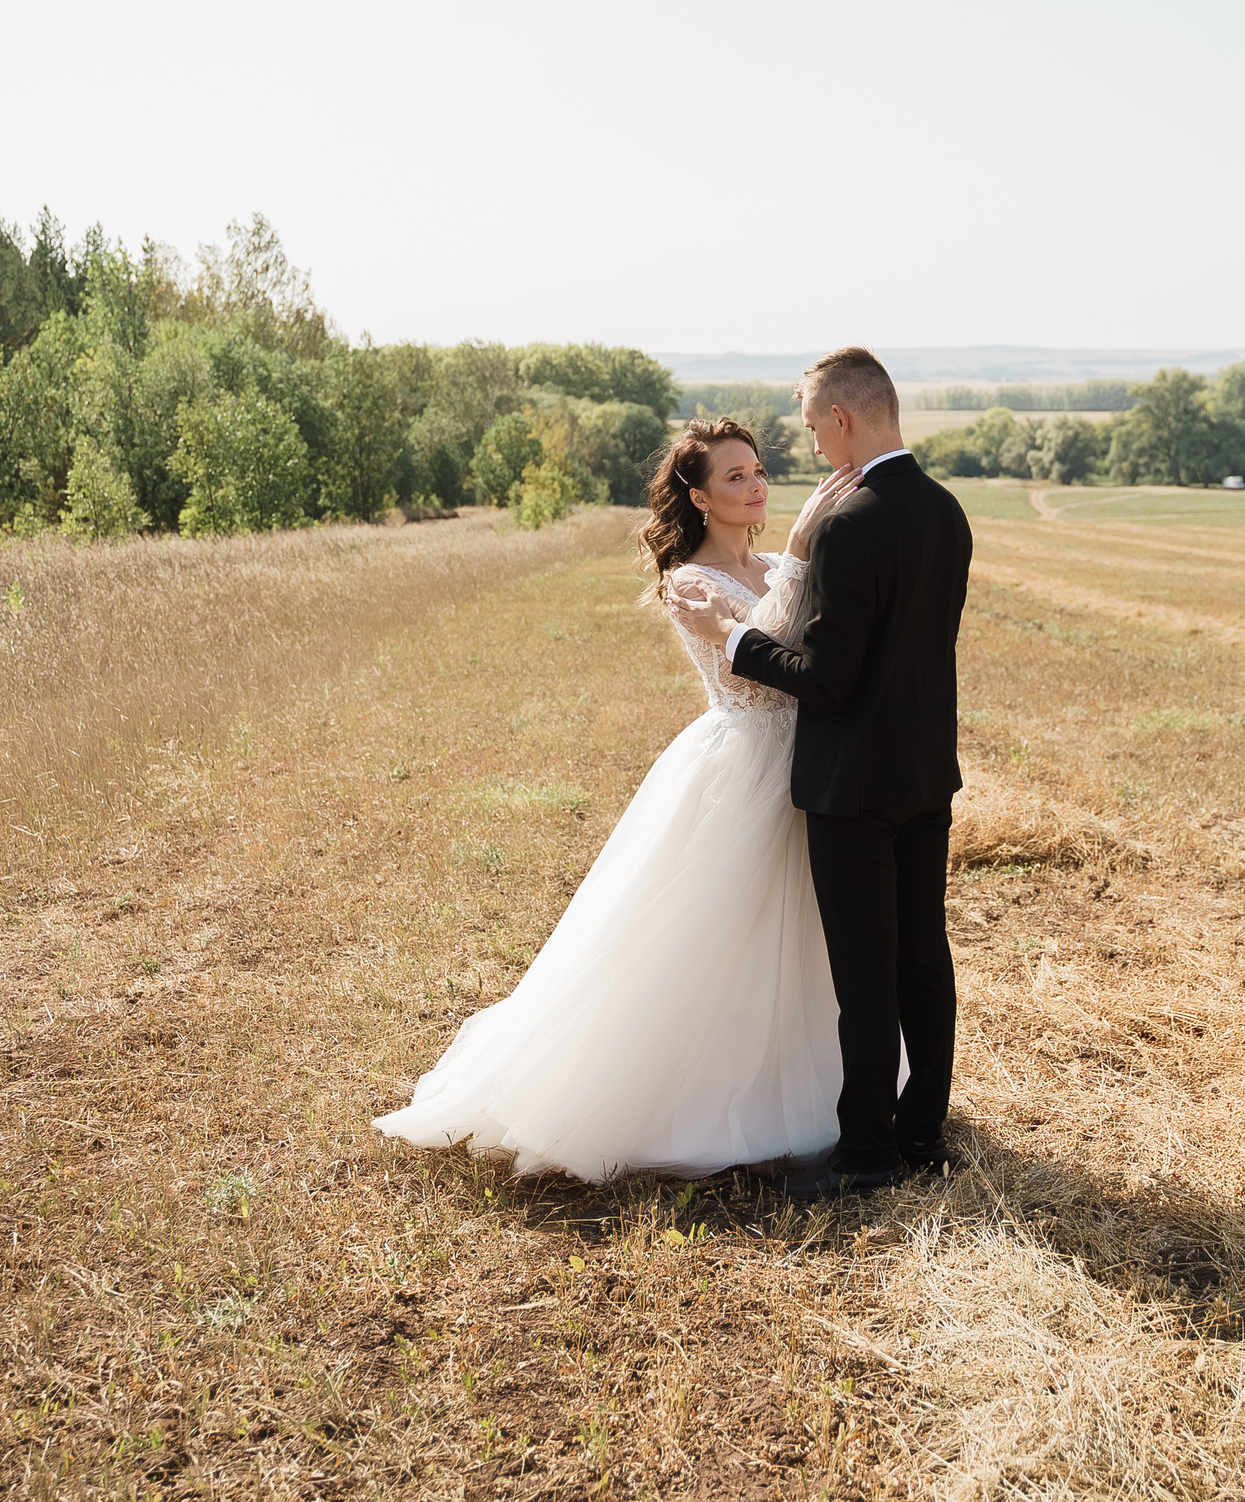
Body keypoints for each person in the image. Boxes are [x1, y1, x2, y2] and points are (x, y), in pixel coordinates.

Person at [373, 420, 866, 1179]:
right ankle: (696, 1101)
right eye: (734, 476)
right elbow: (747, 673)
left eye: (759, 470)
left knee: (810, 932)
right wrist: (801, 555)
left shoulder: (774, 564)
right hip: (742, 766)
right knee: (719, 937)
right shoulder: (690, 581)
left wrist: (798, 564)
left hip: (812, 764)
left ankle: (825, 1087)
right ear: (699, 496)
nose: (756, 484)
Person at [668, 347, 973, 1200]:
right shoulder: (948, 512)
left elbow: (827, 679)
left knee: (865, 974)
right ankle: (925, 1130)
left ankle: (868, 1150)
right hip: (925, 774)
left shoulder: (846, 523)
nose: (806, 448)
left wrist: (733, 635)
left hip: (852, 787)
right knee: (924, 958)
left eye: (808, 428)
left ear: (842, 419)